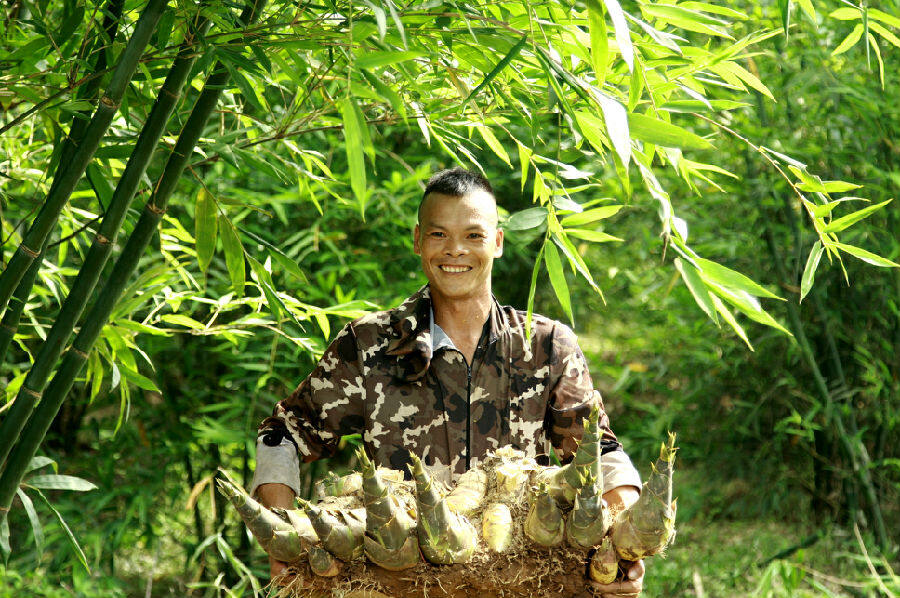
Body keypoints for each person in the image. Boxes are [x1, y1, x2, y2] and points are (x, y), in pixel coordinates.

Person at [251, 168, 645, 597]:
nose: (455, 250)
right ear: (418, 240)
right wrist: (282, 532)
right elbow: (283, 432)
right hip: (399, 583)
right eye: (439, 234)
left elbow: (599, 450)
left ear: (496, 242)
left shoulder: (544, 346)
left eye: (473, 235)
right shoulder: (370, 347)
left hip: (525, 580)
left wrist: (624, 542)